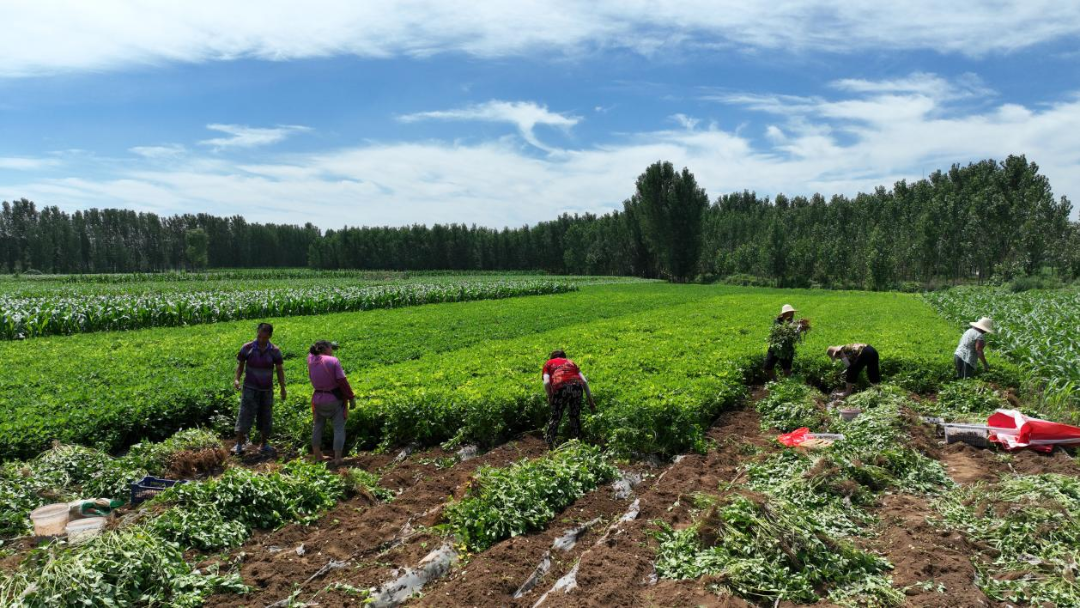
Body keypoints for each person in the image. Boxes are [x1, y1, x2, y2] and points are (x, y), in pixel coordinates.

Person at [232, 322, 286, 456]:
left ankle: (264, 444)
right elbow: (240, 366)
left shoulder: (275, 351)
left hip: (266, 389)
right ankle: (239, 444)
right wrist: (237, 379)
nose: (261, 339)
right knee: (245, 414)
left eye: (265, 337)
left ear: (270, 336)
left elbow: (279, 370)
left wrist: (282, 388)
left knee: (265, 416)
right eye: (260, 336)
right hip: (250, 388)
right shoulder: (247, 347)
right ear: (257, 333)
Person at [307, 340, 355, 465]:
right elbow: (342, 381)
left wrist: (324, 347)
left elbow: (313, 351)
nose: (332, 351)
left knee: (317, 426)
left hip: (318, 399)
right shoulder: (333, 361)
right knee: (339, 428)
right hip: (333, 399)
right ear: (326, 348)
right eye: (331, 348)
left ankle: (317, 455)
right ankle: (338, 458)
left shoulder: (311, 359)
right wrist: (351, 397)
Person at [542, 350, 596, 449]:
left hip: (560, 387)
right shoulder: (571, 363)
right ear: (564, 357)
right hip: (577, 386)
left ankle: (550, 442)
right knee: (574, 416)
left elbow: (546, 383)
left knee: (556, 416)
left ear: (552, 357)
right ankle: (578, 441)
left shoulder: (548, 364)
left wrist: (550, 396)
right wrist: (591, 401)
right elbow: (584, 381)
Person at [764, 304, 808, 381]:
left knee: (787, 370)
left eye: (792, 312)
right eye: (790, 312)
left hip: (787, 348)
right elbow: (781, 331)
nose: (792, 314)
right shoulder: (777, 321)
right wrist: (794, 326)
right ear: (784, 314)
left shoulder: (794, 323)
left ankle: (787, 386)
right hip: (775, 348)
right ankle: (775, 382)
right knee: (767, 367)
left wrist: (801, 328)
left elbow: (795, 333)